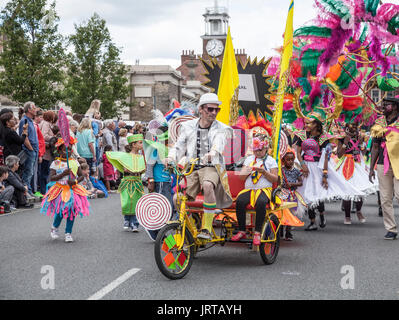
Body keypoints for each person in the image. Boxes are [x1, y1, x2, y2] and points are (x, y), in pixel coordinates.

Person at [165, 93, 233, 240]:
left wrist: (212, 153)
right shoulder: (188, 126)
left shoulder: (221, 128)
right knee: (177, 198)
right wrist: (170, 157)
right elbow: (179, 146)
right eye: (210, 109)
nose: (214, 112)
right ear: (201, 109)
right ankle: (190, 228)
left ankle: (207, 228)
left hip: (211, 166)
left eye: (217, 110)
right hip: (192, 167)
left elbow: (219, 143)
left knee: (208, 185)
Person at [294, 111, 365, 231]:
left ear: (316, 124)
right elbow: (298, 152)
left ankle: (321, 214)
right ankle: (312, 222)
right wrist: (302, 165)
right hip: (306, 166)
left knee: (318, 193)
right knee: (307, 194)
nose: (307, 125)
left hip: (319, 166)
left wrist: (324, 175)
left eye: (310, 123)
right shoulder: (302, 135)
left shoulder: (324, 138)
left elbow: (325, 156)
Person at [40, 136, 90, 243]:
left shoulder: (75, 162)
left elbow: (81, 175)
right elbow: (51, 178)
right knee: (61, 211)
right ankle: (55, 227)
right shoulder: (56, 163)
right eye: (65, 149)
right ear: (59, 150)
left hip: (72, 189)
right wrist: (63, 174)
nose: (68, 150)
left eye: (70, 148)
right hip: (60, 189)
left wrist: (75, 181)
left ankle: (68, 233)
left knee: (71, 211)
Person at [231, 137, 279, 245]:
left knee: (261, 202)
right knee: (240, 201)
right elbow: (241, 178)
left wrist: (264, 172)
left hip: (264, 190)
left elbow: (275, 179)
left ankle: (257, 232)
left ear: (266, 149)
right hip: (250, 189)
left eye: (260, 150)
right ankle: (242, 230)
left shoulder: (271, 161)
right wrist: (246, 172)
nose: (257, 152)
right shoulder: (249, 159)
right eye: (255, 150)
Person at [369, 97, 399, 240]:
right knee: (385, 198)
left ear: (395, 107)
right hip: (382, 164)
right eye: (383, 104)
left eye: (386, 105)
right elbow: (375, 147)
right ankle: (391, 229)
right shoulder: (378, 123)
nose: (383, 106)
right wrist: (371, 168)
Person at [336, 121, 376, 224]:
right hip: (347, 165)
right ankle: (347, 216)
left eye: (355, 125)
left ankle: (359, 211)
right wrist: (345, 142)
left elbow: (362, 152)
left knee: (360, 189)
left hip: (358, 164)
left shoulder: (361, 136)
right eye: (352, 125)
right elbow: (339, 155)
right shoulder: (341, 137)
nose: (354, 127)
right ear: (346, 125)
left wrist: (361, 142)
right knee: (347, 191)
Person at [106, 134, 146, 232]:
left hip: (137, 182)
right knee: (127, 202)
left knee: (137, 203)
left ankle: (134, 223)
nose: (142, 144)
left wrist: (140, 170)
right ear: (133, 144)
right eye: (140, 143)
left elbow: (144, 169)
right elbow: (124, 167)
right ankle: (127, 219)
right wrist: (126, 168)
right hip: (127, 182)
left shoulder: (142, 157)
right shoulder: (125, 156)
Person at [144, 128, 174, 241]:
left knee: (168, 208)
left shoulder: (168, 149)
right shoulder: (156, 149)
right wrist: (150, 180)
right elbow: (150, 165)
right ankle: (154, 230)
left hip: (167, 181)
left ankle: (159, 232)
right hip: (160, 182)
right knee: (163, 208)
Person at [280, 148, 306, 241]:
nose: (290, 161)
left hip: (292, 194)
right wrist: (283, 184)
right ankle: (280, 230)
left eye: (292, 159)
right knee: (282, 212)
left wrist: (292, 184)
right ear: (283, 160)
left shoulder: (296, 171)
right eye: (288, 159)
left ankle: (288, 232)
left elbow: (300, 182)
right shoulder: (281, 170)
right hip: (282, 194)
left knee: (291, 213)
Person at [18, 102, 39, 195]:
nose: (36, 110)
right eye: (34, 108)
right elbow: (24, 136)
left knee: (31, 172)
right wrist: (31, 149)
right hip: (29, 150)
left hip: (33, 150)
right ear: (29, 110)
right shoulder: (25, 120)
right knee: (28, 171)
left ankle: (28, 190)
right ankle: (27, 192)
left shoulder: (30, 120)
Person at [39, 111, 56, 195]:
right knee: (44, 172)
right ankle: (44, 190)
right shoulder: (46, 124)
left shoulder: (44, 123)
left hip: (45, 151)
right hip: (46, 152)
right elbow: (44, 135)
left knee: (44, 171)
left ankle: (44, 189)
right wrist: (53, 137)